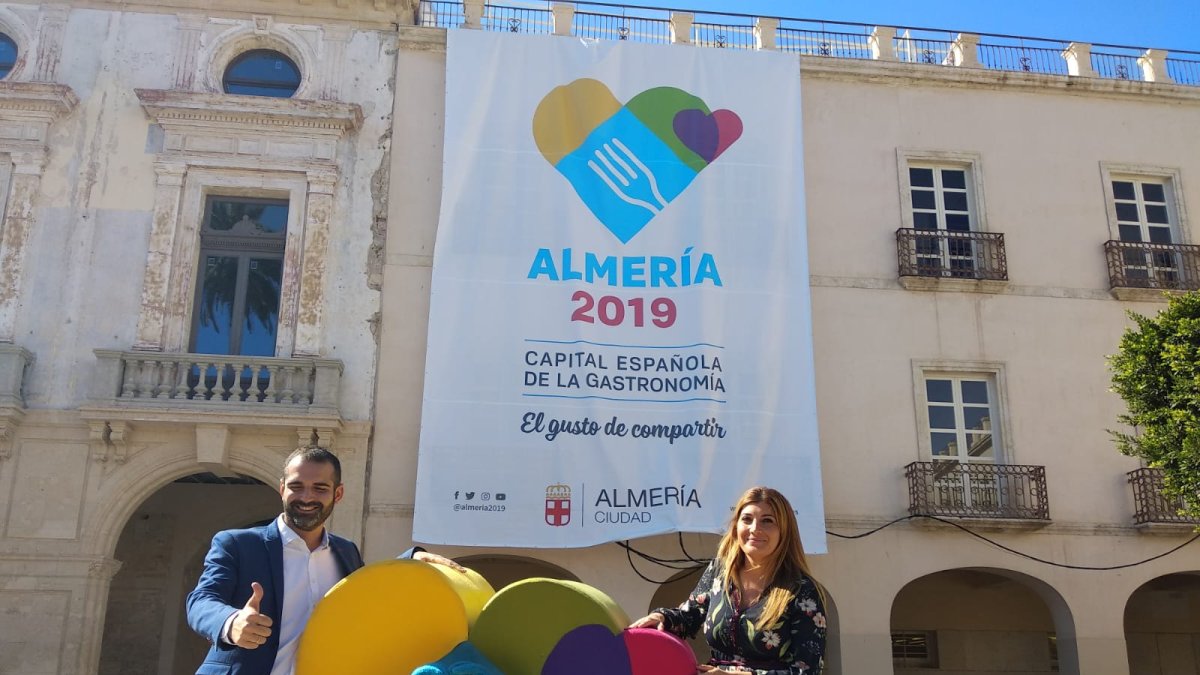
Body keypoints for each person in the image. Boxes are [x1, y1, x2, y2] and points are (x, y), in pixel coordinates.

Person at [186, 446, 460, 675]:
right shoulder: (237, 544)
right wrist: (231, 622)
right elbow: (200, 601)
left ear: (337, 494)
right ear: (282, 488)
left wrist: (410, 561)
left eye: (320, 488)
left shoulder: (346, 552)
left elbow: (365, 592)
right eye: (296, 487)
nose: (306, 497)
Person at [630, 487, 826, 674]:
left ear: (784, 530)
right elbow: (689, 616)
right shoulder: (719, 571)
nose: (754, 529)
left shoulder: (803, 591)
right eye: (746, 519)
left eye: (767, 521)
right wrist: (663, 618)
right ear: (736, 526)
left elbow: (807, 670)